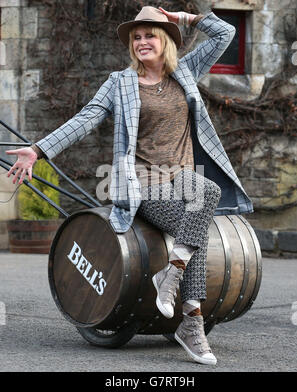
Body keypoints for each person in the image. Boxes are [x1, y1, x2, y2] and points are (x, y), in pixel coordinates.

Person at [6, 6, 253, 365]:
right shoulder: (120, 83)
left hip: (183, 174)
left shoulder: (185, 70)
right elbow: (85, 119)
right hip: (144, 182)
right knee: (193, 231)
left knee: (207, 193)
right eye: (136, 37)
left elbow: (225, 35)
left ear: (166, 39)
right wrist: (38, 149)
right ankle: (192, 321)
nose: (141, 42)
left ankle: (172, 274)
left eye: (150, 34)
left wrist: (184, 17)